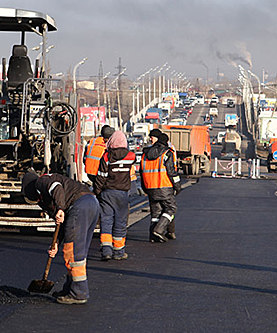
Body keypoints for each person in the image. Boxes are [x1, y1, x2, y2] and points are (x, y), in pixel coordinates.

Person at [22, 171, 99, 304]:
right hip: (91, 204)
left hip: (80, 205)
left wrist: (61, 209)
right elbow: (61, 223)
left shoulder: (42, 181)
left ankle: (79, 293)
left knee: (73, 252)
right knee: (78, 250)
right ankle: (70, 288)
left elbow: (56, 187)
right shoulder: (45, 199)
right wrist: (56, 243)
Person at [93, 130, 136, 261]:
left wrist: (97, 191)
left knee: (106, 221)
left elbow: (101, 177)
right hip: (122, 193)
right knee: (120, 223)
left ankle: (106, 250)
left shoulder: (106, 157)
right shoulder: (131, 156)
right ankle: (119, 252)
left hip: (107, 193)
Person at [140, 129, 180, 243]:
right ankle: (159, 230)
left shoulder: (145, 154)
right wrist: (177, 186)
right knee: (171, 209)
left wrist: (145, 188)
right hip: (164, 186)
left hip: (150, 187)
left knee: (156, 212)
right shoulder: (167, 153)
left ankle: (153, 236)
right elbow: (171, 172)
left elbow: (142, 173)